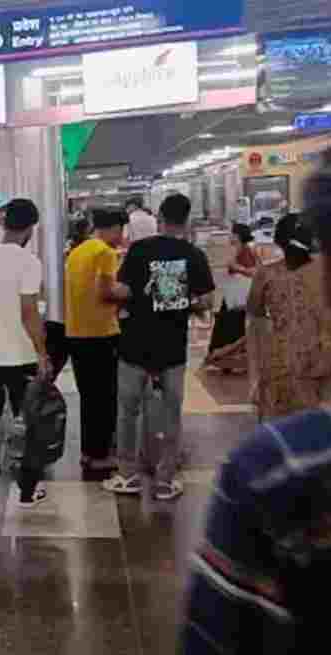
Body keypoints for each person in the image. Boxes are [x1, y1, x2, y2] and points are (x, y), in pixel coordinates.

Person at [180, 140, 331, 655]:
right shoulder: (273, 279)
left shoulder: (277, 474)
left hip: (291, 380)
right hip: (292, 373)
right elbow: (252, 321)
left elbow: (220, 653)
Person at [103, 193, 215, 501]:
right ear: (187, 219)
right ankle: (165, 480)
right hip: (172, 347)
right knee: (171, 413)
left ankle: (128, 475)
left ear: (160, 219)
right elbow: (206, 301)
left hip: (134, 344)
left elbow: (123, 290)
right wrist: (181, 302)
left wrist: (108, 291)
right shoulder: (193, 255)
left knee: (127, 411)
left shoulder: (140, 249)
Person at [0, 198, 50, 510]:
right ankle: (28, 490)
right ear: (30, 227)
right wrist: (42, 352)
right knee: (28, 421)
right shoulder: (29, 262)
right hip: (20, 355)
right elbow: (29, 311)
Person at [246, 215, 327, 419]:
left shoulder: (265, 274)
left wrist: (255, 375)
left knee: (283, 433)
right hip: (314, 364)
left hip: (284, 364)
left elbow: (255, 319)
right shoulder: (328, 273)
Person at [64, 209, 126, 472]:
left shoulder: (77, 252)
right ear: (111, 228)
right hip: (101, 333)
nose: (122, 236)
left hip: (76, 333)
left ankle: (89, 452)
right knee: (105, 397)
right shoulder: (105, 252)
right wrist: (129, 292)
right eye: (120, 230)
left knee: (89, 397)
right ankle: (101, 455)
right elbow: (106, 292)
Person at [206, 223, 257, 362]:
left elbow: (253, 271)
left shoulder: (246, 250)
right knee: (229, 323)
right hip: (234, 295)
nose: (230, 236)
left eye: (232, 233)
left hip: (237, 296)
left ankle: (223, 355)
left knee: (227, 323)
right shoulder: (238, 249)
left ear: (238, 236)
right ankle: (225, 356)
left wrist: (236, 267)